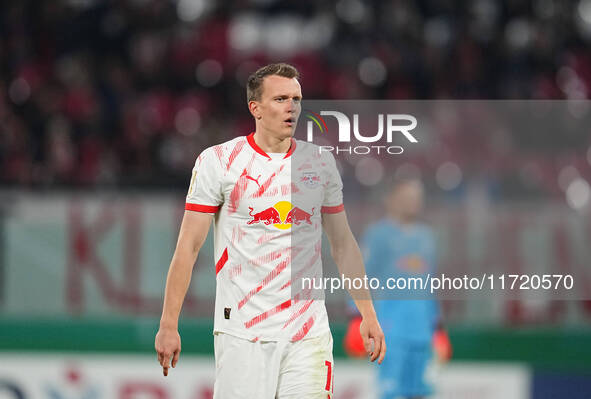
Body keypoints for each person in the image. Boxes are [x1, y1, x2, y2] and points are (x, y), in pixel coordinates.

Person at [154, 63, 385, 399]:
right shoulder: (219, 162)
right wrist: (168, 324)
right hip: (243, 334)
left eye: (296, 98)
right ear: (255, 108)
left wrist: (368, 313)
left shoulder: (320, 163)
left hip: (308, 334)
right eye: (280, 99)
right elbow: (188, 246)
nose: (291, 107)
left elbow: (343, 244)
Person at [344, 177, 451, 399]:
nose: (413, 202)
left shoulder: (426, 236)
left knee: (419, 392)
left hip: (422, 330)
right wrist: (356, 316)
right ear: (391, 199)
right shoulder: (379, 234)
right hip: (391, 328)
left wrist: (438, 328)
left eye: (416, 198)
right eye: (407, 197)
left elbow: (430, 284)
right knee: (391, 392)